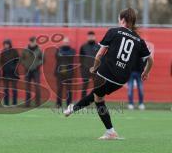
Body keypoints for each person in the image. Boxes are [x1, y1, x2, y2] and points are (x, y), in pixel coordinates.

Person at [63, 8, 154, 140]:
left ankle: (109, 131)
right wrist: (146, 72)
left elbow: (100, 54)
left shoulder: (114, 31)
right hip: (121, 79)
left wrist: (94, 68)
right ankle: (75, 108)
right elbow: (150, 59)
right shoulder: (139, 40)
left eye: (119, 19)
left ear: (122, 20)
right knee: (97, 96)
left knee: (98, 98)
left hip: (106, 73)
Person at [21, 36, 43, 107]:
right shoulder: (25, 49)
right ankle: (27, 104)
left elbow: (42, 59)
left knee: (37, 87)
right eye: (32, 42)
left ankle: (37, 103)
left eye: (34, 41)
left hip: (36, 70)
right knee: (27, 88)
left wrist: (37, 64)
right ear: (30, 42)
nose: (33, 43)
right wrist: (25, 65)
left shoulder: (39, 50)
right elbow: (21, 59)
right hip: (27, 71)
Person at [55, 37, 75, 107]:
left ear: (69, 43)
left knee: (69, 89)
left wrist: (63, 55)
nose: (66, 43)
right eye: (65, 42)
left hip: (69, 73)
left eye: (67, 42)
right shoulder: (58, 50)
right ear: (62, 43)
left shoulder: (72, 50)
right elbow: (57, 59)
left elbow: (71, 56)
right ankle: (58, 104)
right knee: (59, 89)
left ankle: (69, 104)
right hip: (60, 73)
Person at [80, 31, 100, 98]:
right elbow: (81, 58)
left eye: (92, 36)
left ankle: (97, 102)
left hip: (95, 69)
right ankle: (82, 102)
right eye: (90, 36)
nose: (91, 37)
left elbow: (101, 58)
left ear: (94, 37)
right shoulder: (83, 47)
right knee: (84, 86)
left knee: (97, 87)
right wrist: (82, 69)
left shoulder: (98, 46)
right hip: (86, 70)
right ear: (87, 37)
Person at [0, 39, 20, 106]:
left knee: (14, 89)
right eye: (5, 44)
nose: (6, 45)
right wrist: (4, 68)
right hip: (5, 73)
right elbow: (1, 62)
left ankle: (14, 103)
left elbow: (18, 61)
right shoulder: (3, 52)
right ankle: (6, 103)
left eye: (7, 44)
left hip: (13, 74)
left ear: (10, 44)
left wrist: (13, 67)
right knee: (6, 90)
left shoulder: (14, 51)